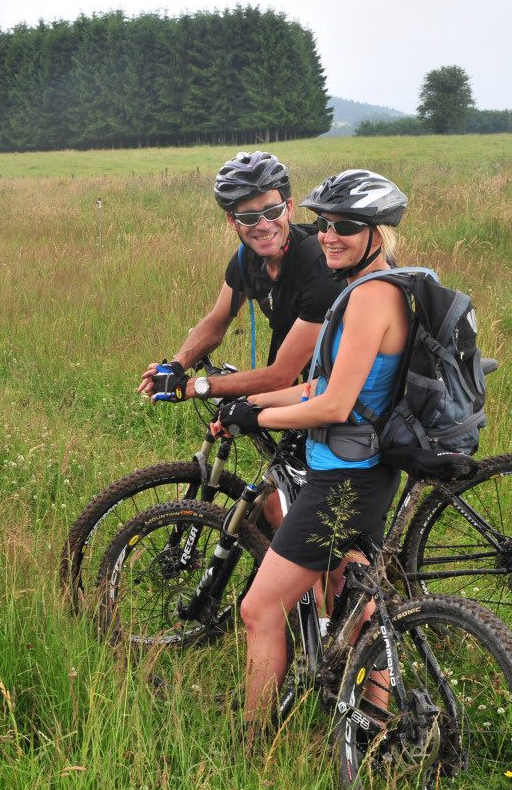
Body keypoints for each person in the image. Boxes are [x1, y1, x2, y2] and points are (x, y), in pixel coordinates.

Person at [212, 169, 412, 729]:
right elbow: (318, 386)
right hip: (358, 471)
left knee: (259, 609)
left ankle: (254, 745)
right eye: (323, 224)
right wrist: (254, 404)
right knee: (352, 590)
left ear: (380, 234)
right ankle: (372, 728)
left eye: (346, 226)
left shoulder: (371, 299)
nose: (328, 235)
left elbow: (332, 405)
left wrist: (262, 412)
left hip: (343, 478)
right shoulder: (365, 290)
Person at [139, 151, 342, 406]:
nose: (263, 225)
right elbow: (217, 322)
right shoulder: (246, 258)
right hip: (305, 383)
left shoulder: (320, 268)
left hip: (339, 393)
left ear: (289, 208)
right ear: (232, 221)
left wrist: (192, 386)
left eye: (272, 211)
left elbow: (280, 376)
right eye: (248, 217)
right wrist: (177, 366)